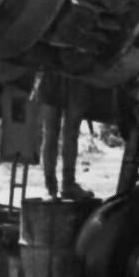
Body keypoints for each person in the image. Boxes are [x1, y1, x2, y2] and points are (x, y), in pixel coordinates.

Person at [35, 69, 92, 199]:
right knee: (51, 133)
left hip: (77, 73)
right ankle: (51, 186)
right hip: (53, 71)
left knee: (70, 134)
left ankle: (68, 184)